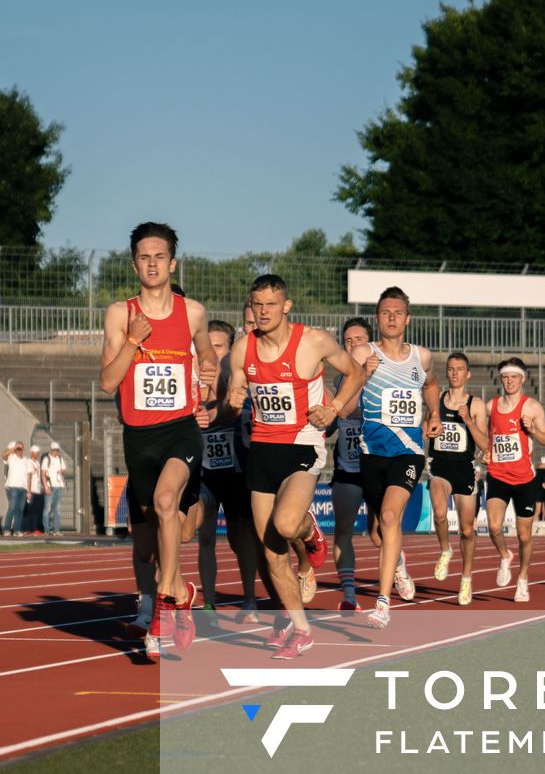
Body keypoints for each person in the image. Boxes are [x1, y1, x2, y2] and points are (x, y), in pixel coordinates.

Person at [227, 273, 366, 658]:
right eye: (258, 305)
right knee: (270, 552)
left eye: (272, 304)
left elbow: (355, 372)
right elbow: (233, 394)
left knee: (286, 524)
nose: (264, 311)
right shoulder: (242, 349)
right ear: (250, 308)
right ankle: (300, 628)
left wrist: (333, 407)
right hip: (263, 451)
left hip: (304, 443)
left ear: (286, 306)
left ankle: (309, 534)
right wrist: (233, 397)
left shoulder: (313, 341)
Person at [99, 222, 220, 660]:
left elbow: (206, 353)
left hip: (181, 429)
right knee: (157, 522)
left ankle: (165, 605)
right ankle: (178, 590)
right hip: (139, 436)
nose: (152, 264)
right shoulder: (119, 313)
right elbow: (109, 381)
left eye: (159, 257)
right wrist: (133, 340)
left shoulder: (192, 312)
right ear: (135, 264)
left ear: (172, 263)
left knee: (168, 502)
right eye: (143, 257)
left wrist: (209, 370)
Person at [348, 287, 436, 628]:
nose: (392, 318)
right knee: (377, 531)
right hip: (372, 453)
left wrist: (435, 414)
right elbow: (349, 399)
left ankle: (382, 603)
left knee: (389, 516)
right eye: (386, 313)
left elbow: (431, 384)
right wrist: (364, 376)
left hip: (409, 452)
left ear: (407, 318)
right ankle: (397, 562)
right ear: (377, 318)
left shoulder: (422, 356)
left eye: (398, 313)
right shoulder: (362, 353)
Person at [195, 317, 263, 629]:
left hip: (236, 469)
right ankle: (209, 601)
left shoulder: (236, 378)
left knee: (241, 538)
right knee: (204, 535)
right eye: (206, 346)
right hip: (204, 468)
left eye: (219, 347)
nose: (211, 353)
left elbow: (227, 412)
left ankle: (249, 597)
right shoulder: (191, 379)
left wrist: (213, 412)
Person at [481, 357, 545, 603]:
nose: (509, 381)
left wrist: (532, 429)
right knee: (493, 527)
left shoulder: (531, 407)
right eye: (505, 377)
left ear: (522, 379)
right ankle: (505, 556)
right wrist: (484, 452)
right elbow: (483, 436)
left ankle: (522, 579)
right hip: (498, 475)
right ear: (501, 379)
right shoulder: (490, 407)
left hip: (524, 479)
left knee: (524, 536)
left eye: (514, 376)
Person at [426, 351, 484, 604]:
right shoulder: (435, 400)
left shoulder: (476, 404)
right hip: (439, 466)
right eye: (450, 368)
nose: (454, 373)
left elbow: (485, 442)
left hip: (464, 470)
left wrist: (469, 422)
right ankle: (445, 550)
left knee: (468, 530)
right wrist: (426, 433)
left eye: (459, 369)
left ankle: (466, 578)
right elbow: (424, 429)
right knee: (439, 513)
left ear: (467, 374)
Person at [328, 317, 373, 613]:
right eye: (348, 342)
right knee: (343, 529)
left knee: (382, 530)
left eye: (359, 340)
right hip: (347, 465)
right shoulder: (336, 382)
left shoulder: (387, 376)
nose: (354, 346)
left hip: (377, 464)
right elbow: (335, 419)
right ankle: (349, 595)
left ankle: (398, 566)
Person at [1, 440, 31, 536]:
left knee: (20, 509)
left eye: (20, 448)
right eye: (17, 448)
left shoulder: (26, 460)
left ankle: (17, 530)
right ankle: (7, 529)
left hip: (23, 488)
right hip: (13, 486)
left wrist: (29, 491)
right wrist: (13, 448)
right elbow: (3, 455)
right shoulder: (11, 458)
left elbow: (29, 476)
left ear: (23, 449)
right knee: (12, 507)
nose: (19, 450)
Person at [42, 441, 68, 536]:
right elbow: (43, 474)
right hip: (50, 486)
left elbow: (64, 469)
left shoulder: (60, 459)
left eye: (57, 450)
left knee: (57, 509)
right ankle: (47, 530)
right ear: (51, 450)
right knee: (47, 509)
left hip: (59, 486)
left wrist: (61, 470)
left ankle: (57, 530)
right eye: (54, 450)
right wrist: (46, 486)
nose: (55, 452)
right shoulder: (46, 459)